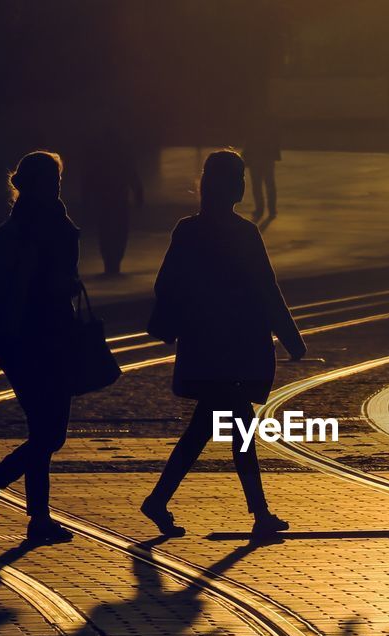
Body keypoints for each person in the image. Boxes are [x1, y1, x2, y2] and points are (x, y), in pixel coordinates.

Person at [141, 150, 306, 538]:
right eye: (239, 177)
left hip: (205, 346)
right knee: (239, 429)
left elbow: (165, 284)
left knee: (207, 429)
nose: (243, 184)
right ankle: (259, 513)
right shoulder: (242, 233)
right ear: (227, 184)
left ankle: (160, 500)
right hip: (234, 348)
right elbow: (268, 290)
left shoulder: (188, 230)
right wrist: (292, 340)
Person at [0, 150, 81, 544]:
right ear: (31, 186)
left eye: (58, 182)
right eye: (50, 182)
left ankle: (25, 506)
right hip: (26, 339)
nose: (56, 189)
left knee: (47, 432)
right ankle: (12, 494)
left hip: (48, 338)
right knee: (48, 433)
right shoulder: (14, 236)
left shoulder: (57, 229)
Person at [83, 130, 144, 276]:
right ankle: (115, 262)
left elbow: (88, 180)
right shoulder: (123, 156)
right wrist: (138, 196)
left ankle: (109, 262)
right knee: (119, 231)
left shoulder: (98, 157)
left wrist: (86, 200)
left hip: (104, 201)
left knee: (105, 231)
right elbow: (133, 176)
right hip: (119, 200)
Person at [242, 116, 281, 220]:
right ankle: (271, 210)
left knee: (257, 185)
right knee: (269, 184)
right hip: (267, 158)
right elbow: (275, 140)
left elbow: (248, 143)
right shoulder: (270, 125)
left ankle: (260, 209)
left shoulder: (253, 127)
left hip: (256, 158)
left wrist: (246, 158)